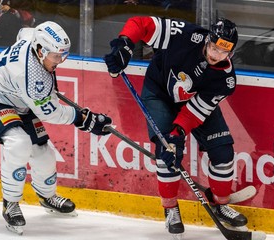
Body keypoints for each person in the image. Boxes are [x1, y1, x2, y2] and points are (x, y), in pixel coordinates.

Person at [104, 16, 247, 237]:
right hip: (159, 93)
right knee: (166, 152)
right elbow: (141, 24)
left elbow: (196, 111)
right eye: (213, 47)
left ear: (231, 53)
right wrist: (125, 44)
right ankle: (170, 209)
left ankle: (221, 205)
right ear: (207, 39)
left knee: (223, 151)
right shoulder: (187, 35)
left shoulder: (226, 80)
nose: (216, 55)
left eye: (223, 52)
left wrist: (178, 132)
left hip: (194, 102)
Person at [0, 21, 112, 235]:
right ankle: (10, 205)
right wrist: (85, 120)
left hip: (20, 99)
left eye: (64, 55)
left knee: (44, 153)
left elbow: (23, 31)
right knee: (19, 143)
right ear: (40, 51)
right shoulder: (30, 77)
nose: (60, 61)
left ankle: (47, 196)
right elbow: (51, 113)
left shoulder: (33, 38)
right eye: (56, 56)